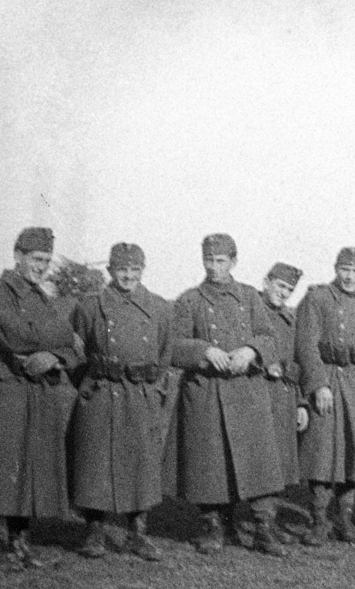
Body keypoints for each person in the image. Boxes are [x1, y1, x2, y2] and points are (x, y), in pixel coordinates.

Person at [169, 234, 286, 555]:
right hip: (206, 394)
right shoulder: (189, 300)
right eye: (209, 260)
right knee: (210, 463)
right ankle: (213, 526)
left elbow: (271, 338)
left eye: (220, 261)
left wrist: (251, 349)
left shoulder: (250, 297)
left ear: (234, 262)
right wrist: (204, 350)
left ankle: (264, 528)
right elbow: (173, 346)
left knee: (259, 461)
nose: (214, 267)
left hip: (247, 392)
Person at [69, 242, 170, 561]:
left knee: (140, 462)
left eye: (135, 270)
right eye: (122, 269)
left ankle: (137, 533)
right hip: (101, 390)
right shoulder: (91, 305)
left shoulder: (158, 307)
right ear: (110, 270)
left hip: (140, 392)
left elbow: (165, 353)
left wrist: (154, 388)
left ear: (143, 271)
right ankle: (94, 530)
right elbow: (76, 350)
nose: (128, 276)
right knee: (96, 460)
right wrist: (90, 382)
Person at [295, 247, 355, 546]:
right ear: (336, 268)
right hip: (329, 380)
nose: (349, 276)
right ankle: (319, 521)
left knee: (353, 451)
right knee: (322, 450)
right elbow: (306, 345)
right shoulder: (317, 298)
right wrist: (318, 384)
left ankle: (345, 520)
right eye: (344, 269)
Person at [0, 227, 80, 568]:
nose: (41, 266)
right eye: (36, 259)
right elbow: (18, 336)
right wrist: (55, 344)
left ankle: (20, 541)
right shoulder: (3, 292)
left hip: (38, 391)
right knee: (6, 464)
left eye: (46, 260)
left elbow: (72, 344)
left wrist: (55, 357)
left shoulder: (42, 296)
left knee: (30, 465)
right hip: (8, 388)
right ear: (18, 256)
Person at [256, 261, 305, 552]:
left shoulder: (290, 319)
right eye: (280, 285)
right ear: (266, 281)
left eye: (289, 289)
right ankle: (256, 525)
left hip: (284, 397)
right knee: (259, 460)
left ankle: (268, 522)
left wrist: (300, 402)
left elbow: (297, 362)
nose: (283, 293)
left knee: (279, 463)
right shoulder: (250, 311)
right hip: (256, 395)